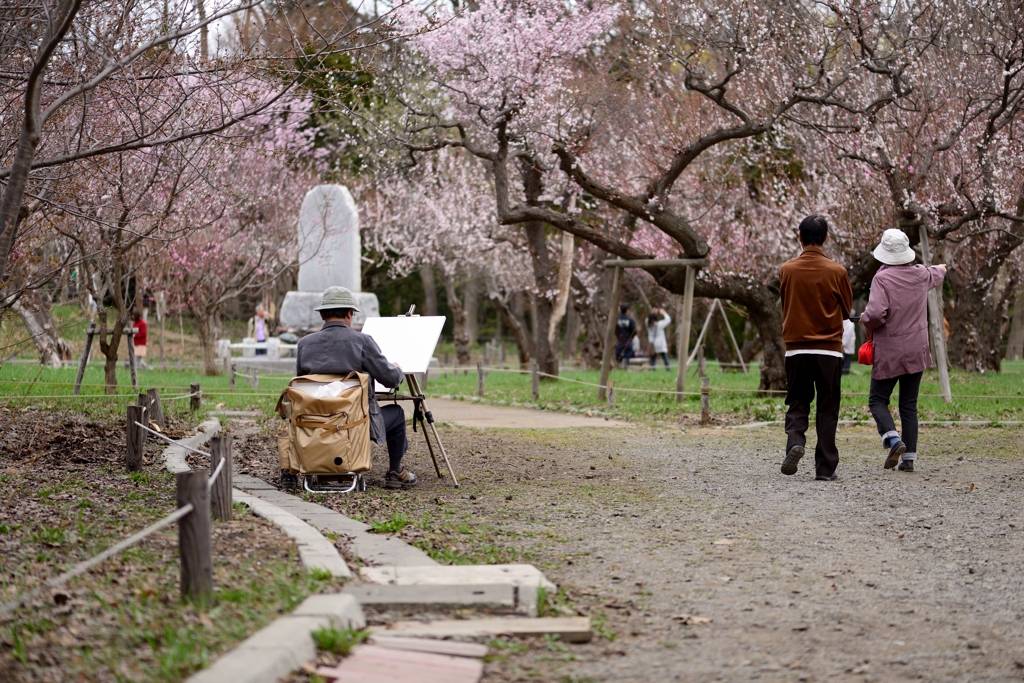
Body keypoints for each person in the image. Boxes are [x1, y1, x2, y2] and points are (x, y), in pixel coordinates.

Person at [293, 287, 416, 490]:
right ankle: (395, 471)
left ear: (322, 315)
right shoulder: (362, 342)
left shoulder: (304, 344)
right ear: (350, 314)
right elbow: (391, 380)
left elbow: (300, 384)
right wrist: (397, 369)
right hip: (356, 425)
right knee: (397, 413)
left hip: (315, 424)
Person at [860, 229, 946, 473]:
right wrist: (942, 267)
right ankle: (909, 459)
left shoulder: (882, 279)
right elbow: (936, 273)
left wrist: (865, 319)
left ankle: (894, 440)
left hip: (890, 350)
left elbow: (876, 314)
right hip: (917, 349)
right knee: (909, 404)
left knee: (877, 400)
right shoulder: (920, 274)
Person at [778, 215, 853, 481]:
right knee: (827, 406)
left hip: (796, 348)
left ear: (800, 236)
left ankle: (795, 442)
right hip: (829, 350)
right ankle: (825, 468)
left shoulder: (787, 270)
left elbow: (786, 302)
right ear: (826, 237)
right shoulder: (838, 271)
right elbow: (847, 310)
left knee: (797, 400)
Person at [841, 311, 856, 375]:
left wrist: (843, 344)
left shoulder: (850, 323)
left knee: (846, 363)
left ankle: (845, 373)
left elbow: (848, 335)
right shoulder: (845, 322)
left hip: (847, 347)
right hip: (843, 346)